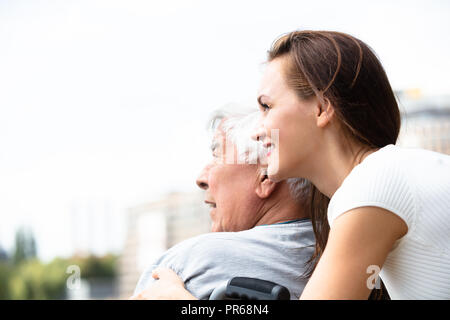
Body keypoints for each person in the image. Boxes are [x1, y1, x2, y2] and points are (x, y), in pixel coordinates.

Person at [141, 30, 450, 300]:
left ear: (321, 107)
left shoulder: (375, 183)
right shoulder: (392, 174)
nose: (259, 130)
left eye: (266, 106)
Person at [130, 107, 315, 300]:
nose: (201, 179)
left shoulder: (190, 265)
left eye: (217, 155)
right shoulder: (337, 252)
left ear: (266, 176)